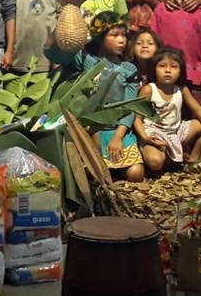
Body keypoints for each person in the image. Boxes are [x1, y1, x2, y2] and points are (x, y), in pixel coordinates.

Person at [45, 12, 144, 181]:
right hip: (91, 129)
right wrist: (59, 29)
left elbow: (129, 107)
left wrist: (118, 137)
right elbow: (52, 53)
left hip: (118, 130)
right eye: (114, 35)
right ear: (100, 37)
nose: (121, 40)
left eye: (124, 36)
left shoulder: (129, 69)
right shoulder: (86, 59)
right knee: (94, 174)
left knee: (136, 174)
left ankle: (111, 166)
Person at [134, 47, 201, 174]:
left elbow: (198, 110)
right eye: (162, 66)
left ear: (181, 71)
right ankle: (163, 157)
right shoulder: (149, 90)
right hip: (153, 133)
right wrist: (145, 138)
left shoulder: (181, 89)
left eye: (174, 66)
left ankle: (193, 160)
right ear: (154, 69)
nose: (168, 71)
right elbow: (137, 119)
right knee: (155, 162)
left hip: (175, 132)